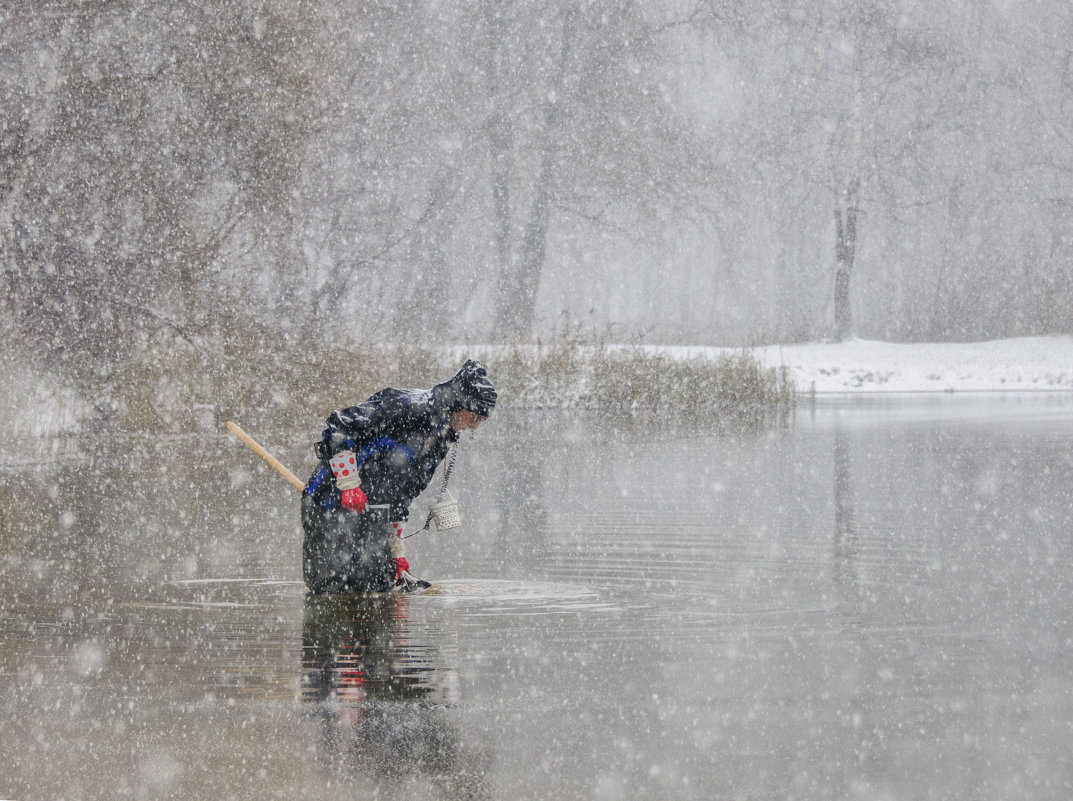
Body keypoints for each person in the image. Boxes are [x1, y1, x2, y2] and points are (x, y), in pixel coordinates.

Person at [301, 359, 496, 594]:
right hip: (330, 503)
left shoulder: (442, 438)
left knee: (380, 590)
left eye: (481, 421)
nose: (475, 426)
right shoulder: (407, 406)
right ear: (460, 402)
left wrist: (398, 553)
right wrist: (348, 483)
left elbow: (403, 496)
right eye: (475, 417)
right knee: (332, 593)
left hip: (373, 516)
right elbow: (341, 425)